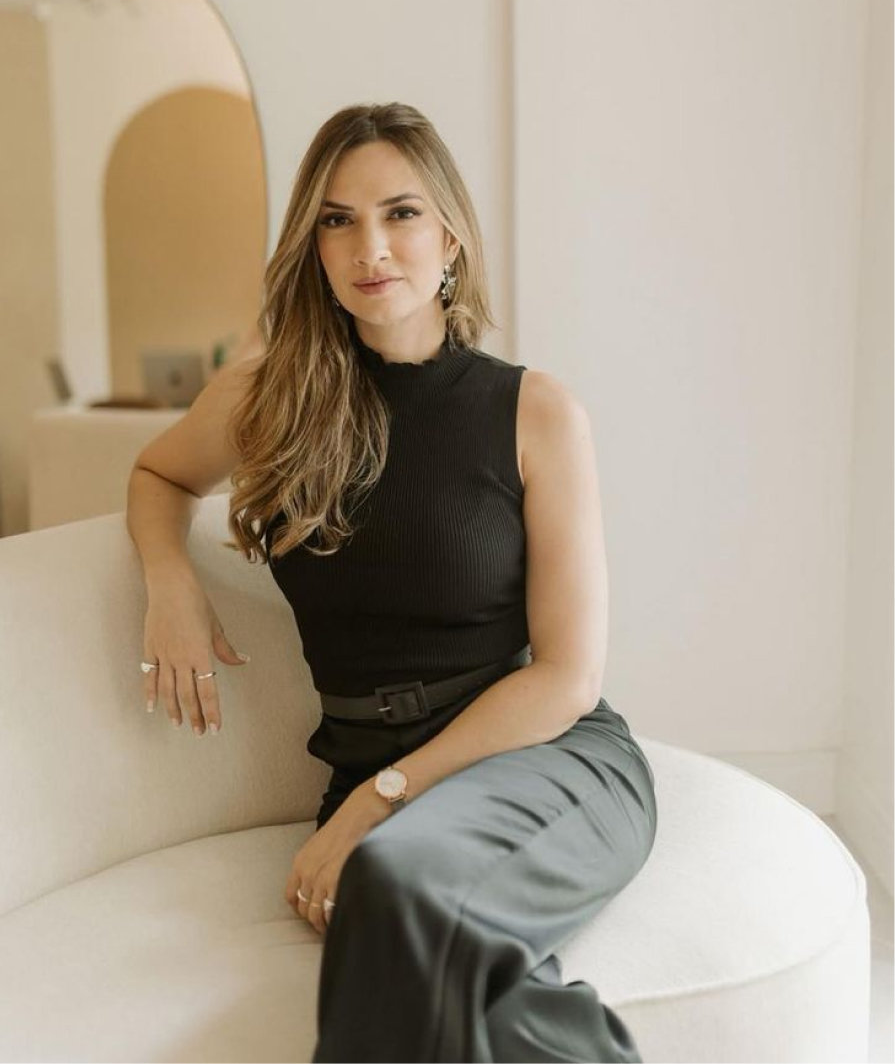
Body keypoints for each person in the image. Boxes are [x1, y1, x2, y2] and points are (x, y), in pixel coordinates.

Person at [126, 102, 658, 1063]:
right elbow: (158, 475)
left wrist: (379, 801)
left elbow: (566, 677)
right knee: (433, 942)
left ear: (449, 237)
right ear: (314, 248)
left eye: (400, 213)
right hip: (376, 771)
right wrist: (171, 585)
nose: (369, 247)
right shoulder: (270, 401)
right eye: (337, 220)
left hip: (542, 756)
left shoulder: (533, 412)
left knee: (397, 886)